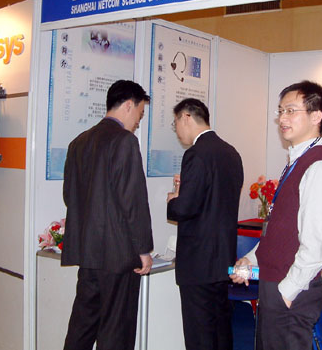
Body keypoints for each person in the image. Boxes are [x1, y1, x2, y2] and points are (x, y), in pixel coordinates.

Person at [231, 80, 322, 350]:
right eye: (281, 111)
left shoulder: (318, 168)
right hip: (275, 285)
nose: (282, 118)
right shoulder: (296, 162)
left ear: (316, 116)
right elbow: (278, 231)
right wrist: (250, 259)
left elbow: (317, 245)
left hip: (290, 291)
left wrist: (287, 291)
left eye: (291, 111)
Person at [61, 80, 154, 350]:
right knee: (116, 331)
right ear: (129, 105)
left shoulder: (78, 142)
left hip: (88, 254)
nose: (138, 122)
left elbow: (69, 196)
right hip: (119, 257)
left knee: (82, 326)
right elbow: (133, 201)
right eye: (140, 114)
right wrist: (143, 249)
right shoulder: (125, 141)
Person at [166, 98, 243, 350]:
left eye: (175, 123)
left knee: (199, 334)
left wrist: (173, 199)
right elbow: (216, 202)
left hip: (198, 262)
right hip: (222, 259)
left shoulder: (196, 154)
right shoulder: (231, 152)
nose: (177, 130)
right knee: (221, 330)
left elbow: (185, 208)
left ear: (186, 117)